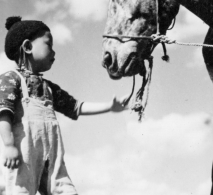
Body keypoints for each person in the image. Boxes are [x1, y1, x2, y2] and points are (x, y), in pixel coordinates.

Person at [0, 16, 129, 195]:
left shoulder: (49, 88)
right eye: (49, 45)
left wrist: (110, 106)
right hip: (22, 156)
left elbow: (76, 107)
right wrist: (8, 145)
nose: (54, 52)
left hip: (52, 157)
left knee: (66, 190)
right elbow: (3, 114)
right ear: (28, 47)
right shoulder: (10, 79)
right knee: (19, 191)